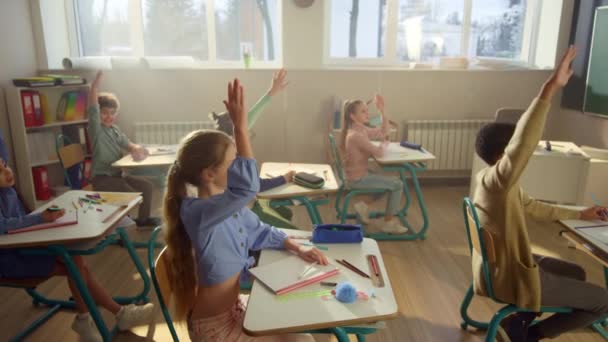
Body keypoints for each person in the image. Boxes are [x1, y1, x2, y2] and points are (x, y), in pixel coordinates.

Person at [163, 78, 325, 341]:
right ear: (209, 174)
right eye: (233, 161)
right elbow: (248, 189)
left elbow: (259, 230)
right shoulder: (198, 212)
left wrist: (298, 246)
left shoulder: (227, 205)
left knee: (303, 337)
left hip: (237, 308)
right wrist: (239, 127)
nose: (239, 165)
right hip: (214, 330)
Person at [472, 46, 608, 341]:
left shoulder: (489, 180)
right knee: (603, 301)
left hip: (496, 268)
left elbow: (533, 207)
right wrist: (549, 89)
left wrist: (580, 213)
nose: (525, 155)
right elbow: (522, 142)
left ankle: (518, 322)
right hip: (512, 277)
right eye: (514, 153)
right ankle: (532, 334)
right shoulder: (499, 179)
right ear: (501, 156)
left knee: (575, 272)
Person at [0, 131, 154, 342]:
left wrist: (42, 219)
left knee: (75, 260)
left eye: (4, 165)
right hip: (10, 259)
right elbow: (3, 226)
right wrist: (39, 220)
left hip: (23, 247)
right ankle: (111, 315)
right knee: (75, 264)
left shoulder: (7, 191)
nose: (7, 172)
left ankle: (101, 316)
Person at [87, 71, 158, 227]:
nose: (108, 116)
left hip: (118, 175)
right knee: (128, 192)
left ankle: (143, 220)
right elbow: (92, 108)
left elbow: (128, 143)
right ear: (98, 114)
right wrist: (94, 87)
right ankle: (121, 225)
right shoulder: (96, 129)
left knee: (147, 186)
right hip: (103, 179)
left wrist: (137, 149)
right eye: (104, 113)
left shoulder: (115, 129)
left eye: (112, 113)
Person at [340, 94, 408, 234]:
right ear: (353, 116)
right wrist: (385, 143)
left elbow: (383, 131)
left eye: (367, 110)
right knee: (397, 184)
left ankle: (363, 205)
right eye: (363, 111)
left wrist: (382, 111)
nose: (367, 113)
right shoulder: (356, 135)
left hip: (358, 175)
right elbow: (379, 153)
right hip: (357, 179)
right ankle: (388, 222)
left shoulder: (360, 129)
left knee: (387, 184)